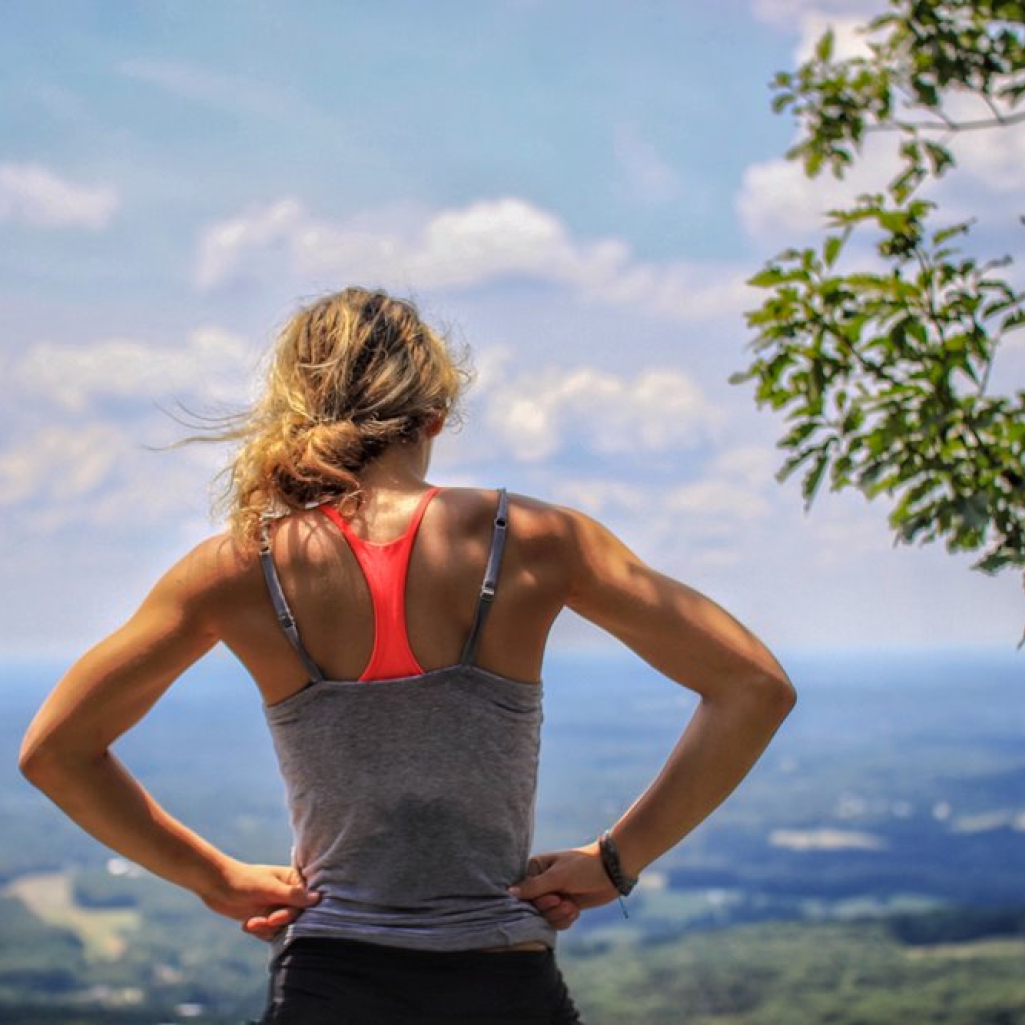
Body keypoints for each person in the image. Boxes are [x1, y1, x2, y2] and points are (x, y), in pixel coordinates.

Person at [19, 287, 796, 1025]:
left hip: (327, 981)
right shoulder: (532, 541)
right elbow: (751, 686)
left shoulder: (237, 567)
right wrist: (615, 861)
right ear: (434, 414)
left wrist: (212, 877)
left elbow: (56, 750)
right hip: (502, 980)